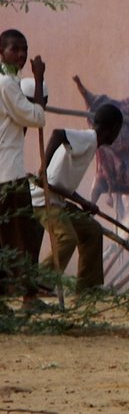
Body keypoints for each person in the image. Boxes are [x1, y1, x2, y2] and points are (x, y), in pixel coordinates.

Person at [30, 101, 123, 292]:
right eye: (118, 130)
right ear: (112, 129)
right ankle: (41, 283)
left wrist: (84, 202)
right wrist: (43, 169)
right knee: (67, 238)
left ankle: (88, 287)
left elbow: (61, 185)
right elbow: (58, 133)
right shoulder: (89, 138)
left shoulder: (89, 145)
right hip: (44, 200)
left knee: (92, 230)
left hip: (59, 199)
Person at [0, 28, 46, 300]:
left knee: (7, 237)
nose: (20, 54)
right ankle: (29, 298)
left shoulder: (9, 82)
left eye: (24, 49)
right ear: (1, 52)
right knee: (26, 236)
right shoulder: (6, 85)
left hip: (5, 171)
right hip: (9, 174)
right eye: (14, 49)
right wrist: (39, 79)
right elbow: (37, 117)